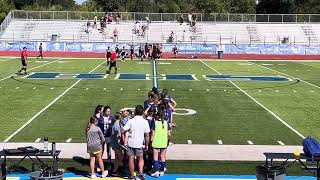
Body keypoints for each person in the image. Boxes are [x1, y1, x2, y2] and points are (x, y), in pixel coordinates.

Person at [121, 105, 150, 180]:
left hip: (131, 143)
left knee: (131, 159)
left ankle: (132, 175)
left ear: (135, 112)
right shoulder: (145, 122)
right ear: (143, 112)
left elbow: (122, 130)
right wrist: (147, 145)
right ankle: (140, 173)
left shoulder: (131, 121)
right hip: (140, 143)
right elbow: (147, 135)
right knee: (140, 159)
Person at [150, 111, 169, 178]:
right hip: (164, 142)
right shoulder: (166, 123)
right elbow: (168, 134)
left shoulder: (155, 123)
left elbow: (153, 133)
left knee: (155, 157)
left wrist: (151, 141)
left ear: (158, 116)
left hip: (156, 142)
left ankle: (156, 172)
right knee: (163, 156)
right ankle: (162, 171)